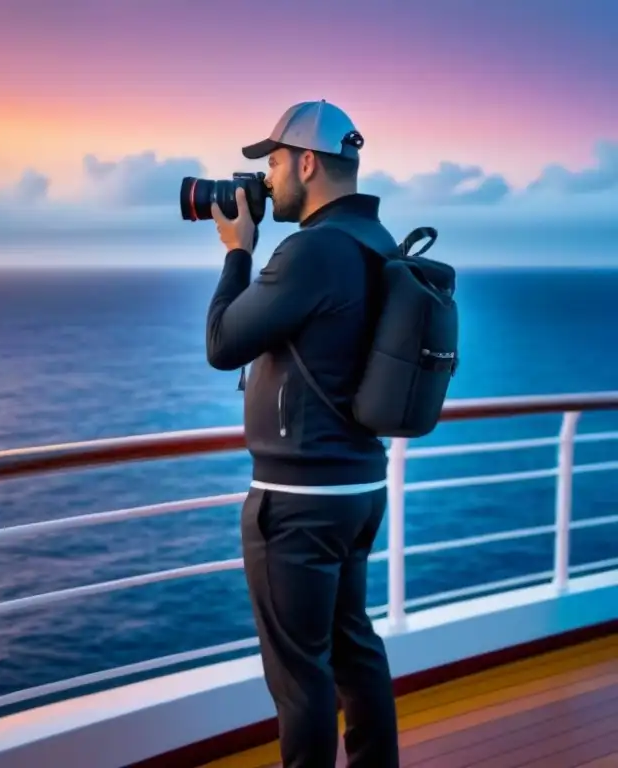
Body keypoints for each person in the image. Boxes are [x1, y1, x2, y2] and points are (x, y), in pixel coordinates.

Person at [205, 100, 400, 768]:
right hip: (357, 487)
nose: (266, 182)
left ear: (308, 162)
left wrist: (238, 253)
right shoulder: (376, 242)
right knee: (353, 649)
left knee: (301, 679)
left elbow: (224, 342)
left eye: (275, 163)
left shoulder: (313, 251)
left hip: (298, 499)